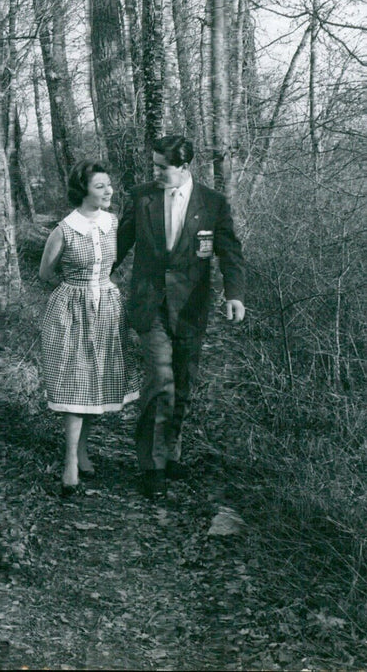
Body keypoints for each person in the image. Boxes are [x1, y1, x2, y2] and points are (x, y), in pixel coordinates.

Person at [116, 135, 245, 500]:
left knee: (184, 383)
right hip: (149, 303)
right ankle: (152, 465)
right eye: (153, 165)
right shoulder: (141, 197)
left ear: (185, 167)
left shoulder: (213, 203)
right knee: (160, 379)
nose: (155, 172)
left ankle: (171, 451)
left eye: (163, 167)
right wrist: (89, 278)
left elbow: (230, 253)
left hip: (191, 306)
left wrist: (235, 295)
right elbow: (120, 244)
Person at [39, 160, 140, 497]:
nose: (109, 190)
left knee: (96, 383)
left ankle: (83, 450)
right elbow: (44, 274)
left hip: (108, 307)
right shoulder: (64, 229)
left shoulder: (113, 224)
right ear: (83, 191)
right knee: (74, 384)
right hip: (72, 311)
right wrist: (76, 291)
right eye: (100, 186)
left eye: (109, 185)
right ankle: (69, 461)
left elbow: (115, 262)